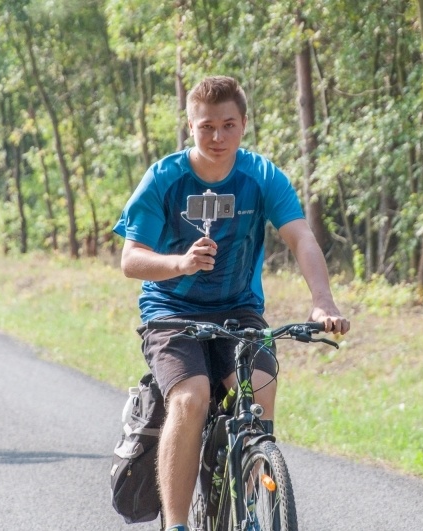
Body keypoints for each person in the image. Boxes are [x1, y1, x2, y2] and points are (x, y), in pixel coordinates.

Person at [113, 75, 350, 531]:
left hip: (239, 310)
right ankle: (177, 524)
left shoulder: (261, 176)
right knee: (191, 397)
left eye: (228, 125)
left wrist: (322, 301)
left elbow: (300, 237)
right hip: (171, 311)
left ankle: (252, 489)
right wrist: (181, 263)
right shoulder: (164, 178)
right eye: (206, 127)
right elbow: (131, 260)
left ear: (243, 124)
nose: (217, 137)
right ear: (190, 126)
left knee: (259, 390)